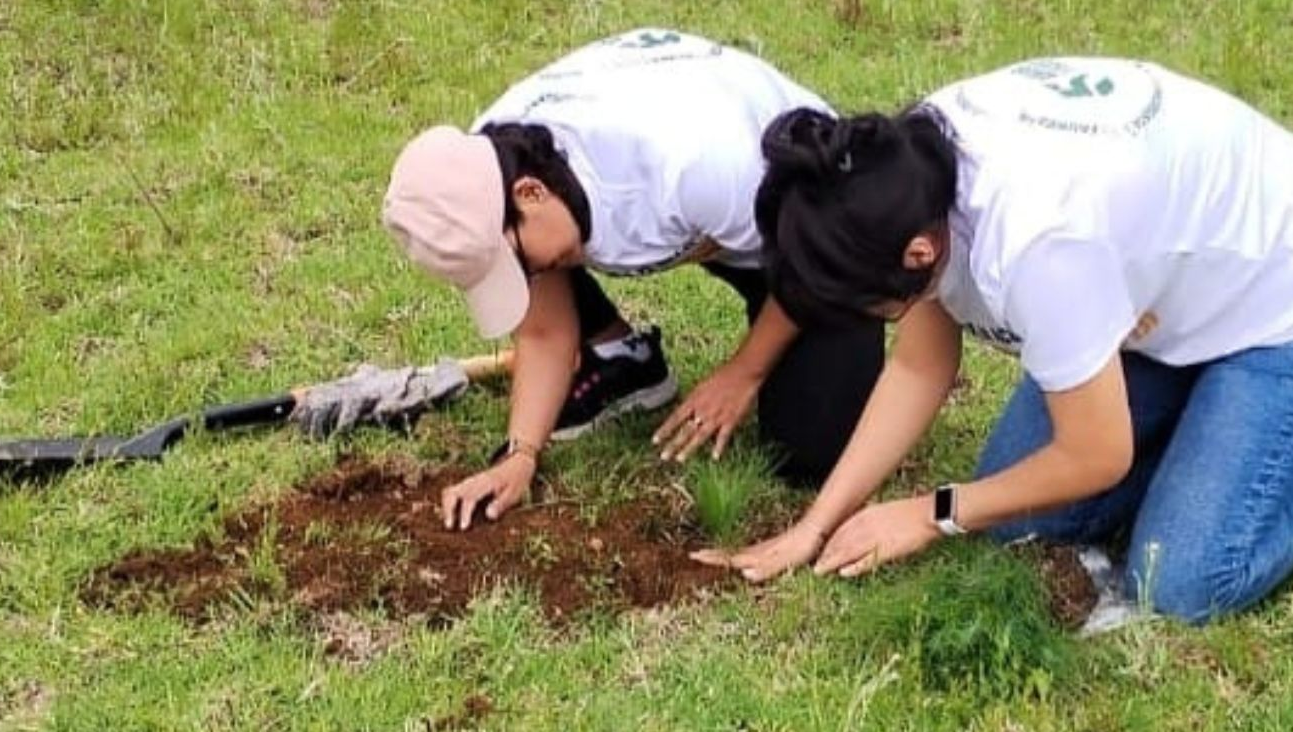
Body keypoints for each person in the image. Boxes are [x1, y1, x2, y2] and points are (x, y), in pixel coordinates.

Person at [694, 57, 1293, 624]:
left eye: (867, 302)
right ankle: (1213, 437)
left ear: (919, 254)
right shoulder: (905, 178)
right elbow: (920, 365)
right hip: (1162, 309)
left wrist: (930, 511)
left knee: (1178, 581)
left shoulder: (1039, 245)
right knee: (1013, 517)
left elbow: (1094, 456)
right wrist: (817, 524)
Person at [298, 29, 884, 528]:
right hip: (709, 220)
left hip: (822, 218)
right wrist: (520, 454)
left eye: (516, 264)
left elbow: (820, 257)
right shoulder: (492, 162)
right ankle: (622, 362)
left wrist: (743, 372)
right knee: (551, 253)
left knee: (811, 452)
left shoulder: (697, 165)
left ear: (530, 192)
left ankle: (761, 334)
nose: (522, 279)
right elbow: (545, 332)